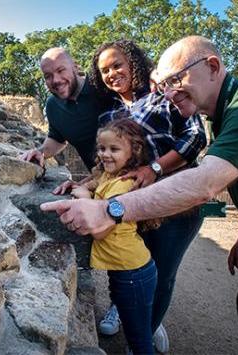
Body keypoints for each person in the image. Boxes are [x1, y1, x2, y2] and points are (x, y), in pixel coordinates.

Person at [41, 35, 238, 354]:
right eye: (165, 82)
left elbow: (205, 183)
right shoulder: (222, 116)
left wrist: (109, 210)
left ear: (212, 66)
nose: (169, 91)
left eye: (176, 79)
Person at [90, 40, 207, 353]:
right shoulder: (109, 114)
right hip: (132, 206)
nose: (112, 73)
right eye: (104, 70)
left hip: (177, 205)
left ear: (133, 64)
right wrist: (85, 185)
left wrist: (154, 168)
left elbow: (196, 137)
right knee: (128, 263)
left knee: (163, 272)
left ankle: (148, 328)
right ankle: (124, 310)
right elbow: (106, 162)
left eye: (117, 65)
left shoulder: (164, 96)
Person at [71, 118, 158, 354]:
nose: (105, 154)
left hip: (133, 273)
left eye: (114, 149)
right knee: (137, 332)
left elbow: (101, 230)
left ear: (134, 152)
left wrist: (82, 197)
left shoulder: (123, 185)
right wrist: (78, 185)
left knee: (139, 341)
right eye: (102, 148)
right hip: (126, 270)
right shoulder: (111, 176)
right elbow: (97, 183)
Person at [20, 47, 111, 175]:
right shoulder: (52, 105)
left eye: (61, 70)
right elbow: (57, 139)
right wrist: (40, 152)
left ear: (75, 66)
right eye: (48, 76)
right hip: (101, 180)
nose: (56, 80)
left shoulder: (103, 87)